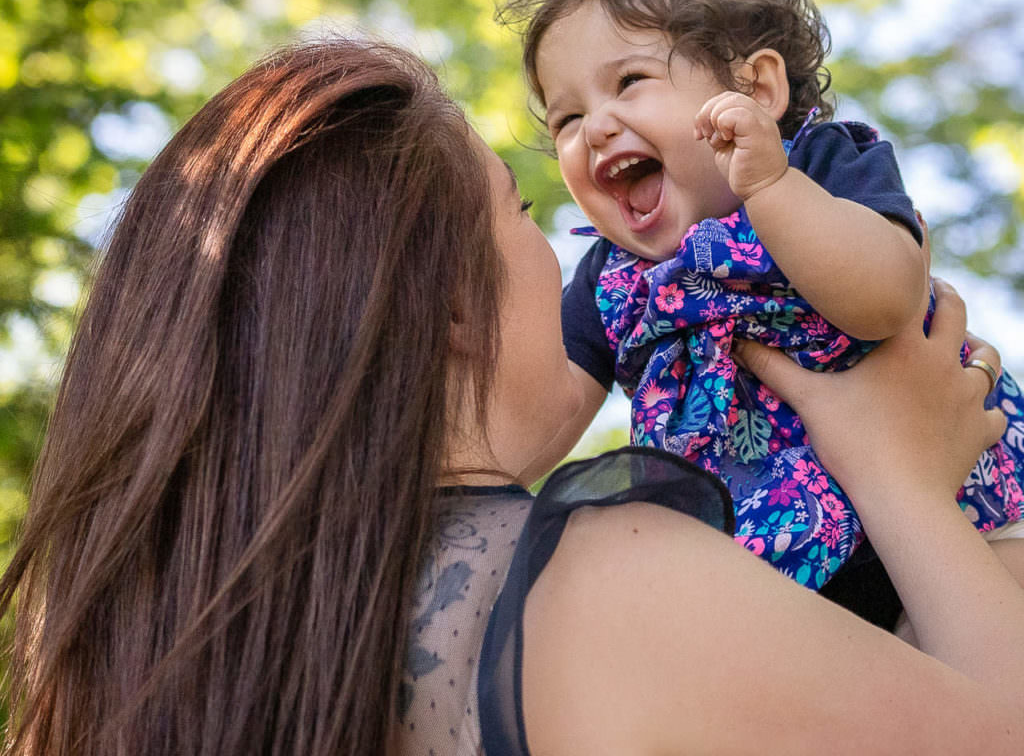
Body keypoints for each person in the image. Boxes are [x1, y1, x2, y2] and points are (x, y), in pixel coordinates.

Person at [1, 37, 1023, 756]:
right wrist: (897, 479)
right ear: (450, 299)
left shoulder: (183, 680)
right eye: (520, 211)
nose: (566, 259)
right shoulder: (610, 591)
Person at [502, 0, 1024, 619]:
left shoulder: (823, 169)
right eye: (566, 118)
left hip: (970, 506)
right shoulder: (611, 281)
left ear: (758, 87)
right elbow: (544, 416)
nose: (594, 128)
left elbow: (886, 300)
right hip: (783, 578)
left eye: (629, 82)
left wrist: (772, 187)